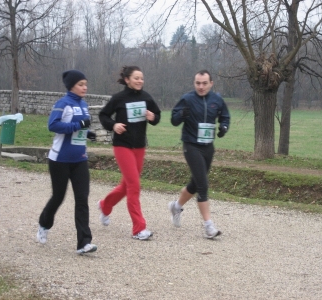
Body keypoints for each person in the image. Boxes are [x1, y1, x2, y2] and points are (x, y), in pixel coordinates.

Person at [36, 70, 98, 254]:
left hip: (80, 160)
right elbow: (53, 125)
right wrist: (79, 126)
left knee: (82, 199)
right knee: (58, 197)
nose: (84, 87)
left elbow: (80, 128)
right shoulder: (63, 104)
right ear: (71, 86)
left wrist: (88, 133)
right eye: (81, 84)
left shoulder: (84, 105)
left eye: (86, 84)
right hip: (60, 159)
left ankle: (83, 243)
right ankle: (44, 224)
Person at [97, 66, 161, 240]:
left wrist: (152, 117)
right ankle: (139, 228)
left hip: (139, 146)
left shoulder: (146, 97)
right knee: (134, 185)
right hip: (122, 146)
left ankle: (105, 206)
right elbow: (103, 115)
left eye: (141, 78)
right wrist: (113, 125)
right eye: (136, 78)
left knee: (126, 186)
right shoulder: (119, 98)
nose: (140, 81)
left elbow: (157, 115)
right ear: (127, 80)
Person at [168, 69, 230, 239]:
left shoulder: (217, 100)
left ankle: (176, 206)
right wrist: (181, 114)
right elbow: (173, 120)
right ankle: (209, 226)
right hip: (191, 145)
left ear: (211, 83)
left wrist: (224, 127)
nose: (201, 87)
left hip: (208, 146)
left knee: (195, 183)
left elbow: (225, 116)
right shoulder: (187, 99)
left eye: (204, 83)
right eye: (197, 83)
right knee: (203, 185)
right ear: (194, 83)